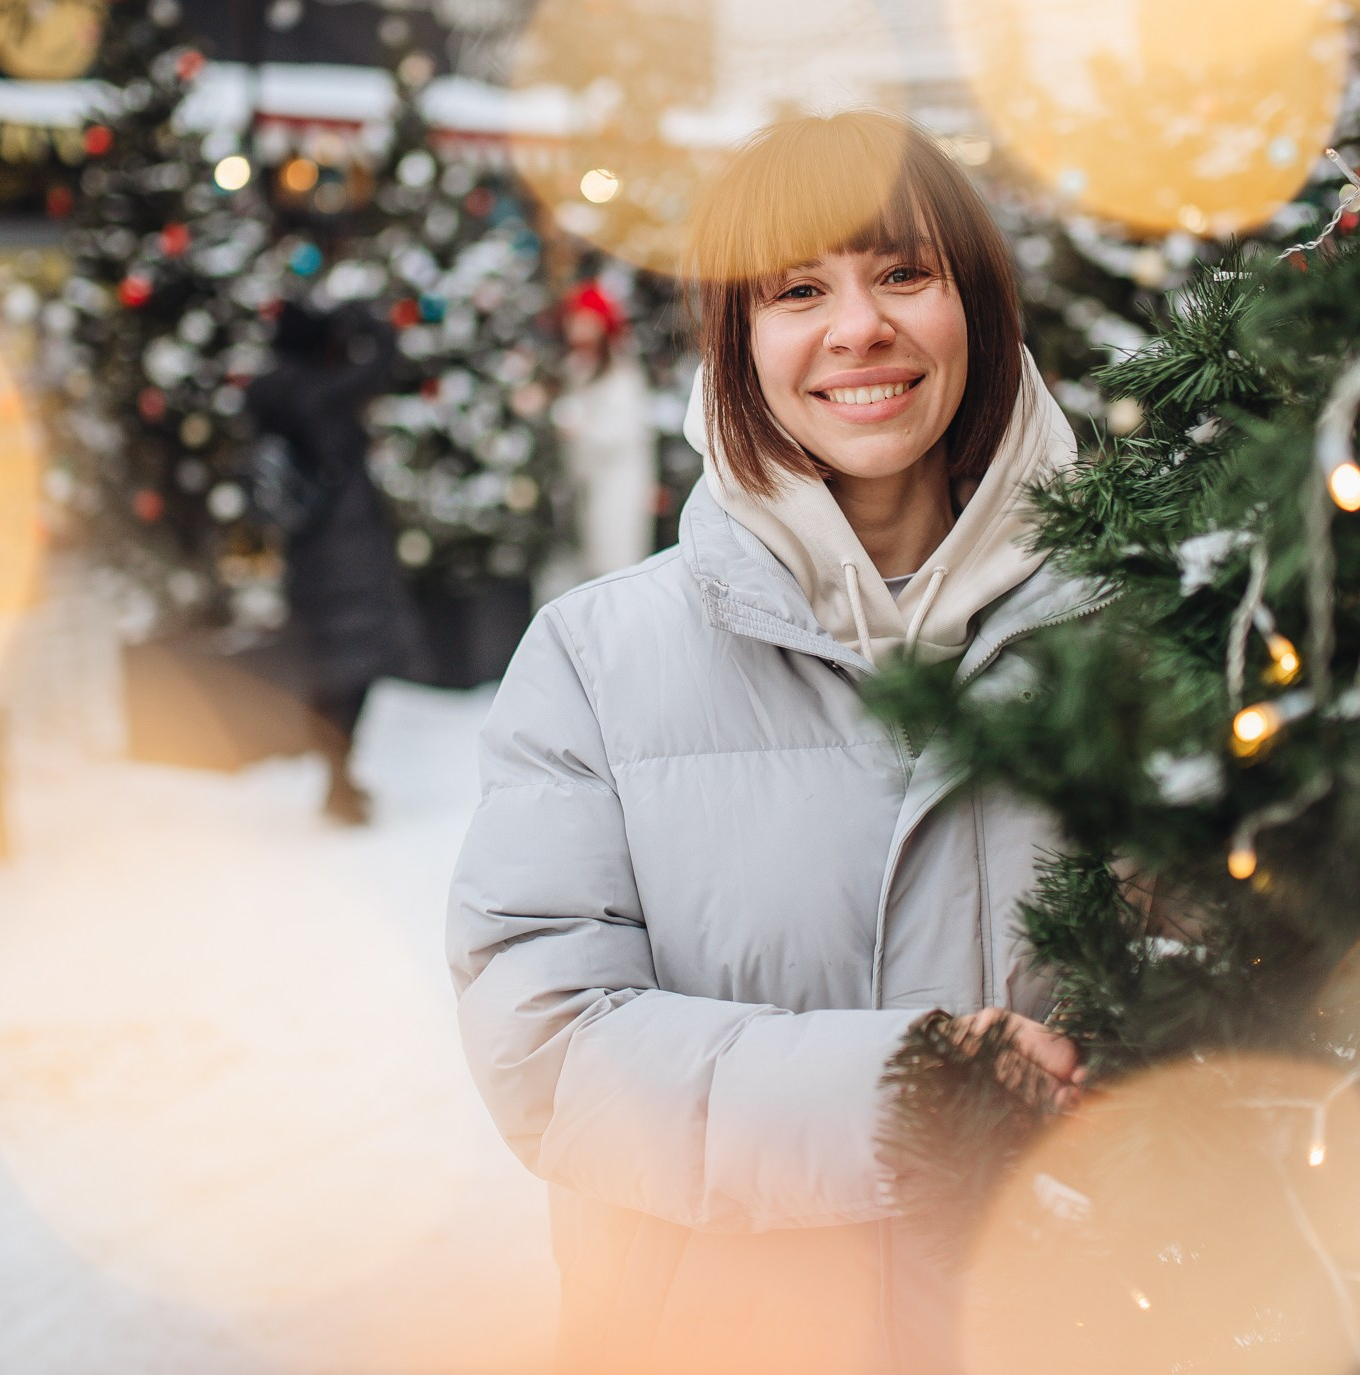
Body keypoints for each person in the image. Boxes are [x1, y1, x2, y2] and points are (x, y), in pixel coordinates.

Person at [447, 112, 1101, 1373]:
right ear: (737, 342)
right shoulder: (598, 660)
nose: (858, 328)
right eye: (798, 290)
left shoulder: (1139, 629)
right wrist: (916, 1090)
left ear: (976, 306)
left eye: (903, 273)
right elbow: (548, 1047)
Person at [246, 299, 422, 825]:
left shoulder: (268, 394)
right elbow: (383, 358)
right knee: (353, 672)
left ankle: (336, 778)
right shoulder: (323, 393)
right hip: (348, 553)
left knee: (326, 672)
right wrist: (365, 320)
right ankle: (340, 783)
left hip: (306, 557)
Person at [552, 265, 656, 584]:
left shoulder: (621, 373)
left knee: (616, 562)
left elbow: (626, 431)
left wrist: (582, 428)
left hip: (618, 485)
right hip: (586, 483)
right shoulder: (577, 368)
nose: (578, 329)